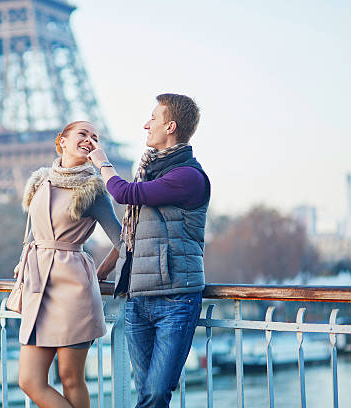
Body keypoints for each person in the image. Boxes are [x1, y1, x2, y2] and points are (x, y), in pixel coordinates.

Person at [87, 93, 210, 408]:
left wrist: (102, 162)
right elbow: (133, 235)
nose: (146, 124)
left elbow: (123, 193)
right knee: (147, 395)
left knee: (155, 393)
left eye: (153, 119)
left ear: (170, 126)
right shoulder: (150, 172)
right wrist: (102, 272)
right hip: (138, 299)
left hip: (176, 299)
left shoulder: (186, 177)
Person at [16, 121, 122, 408]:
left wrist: (102, 272)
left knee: (70, 377)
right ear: (62, 141)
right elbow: (37, 230)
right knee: (29, 380)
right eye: (82, 134)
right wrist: (24, 261)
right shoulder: (40, 181)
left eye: (95, 137)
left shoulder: (94, 190)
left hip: (73, 288)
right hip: (38, 288)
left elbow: (123, 241)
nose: (89, 139)